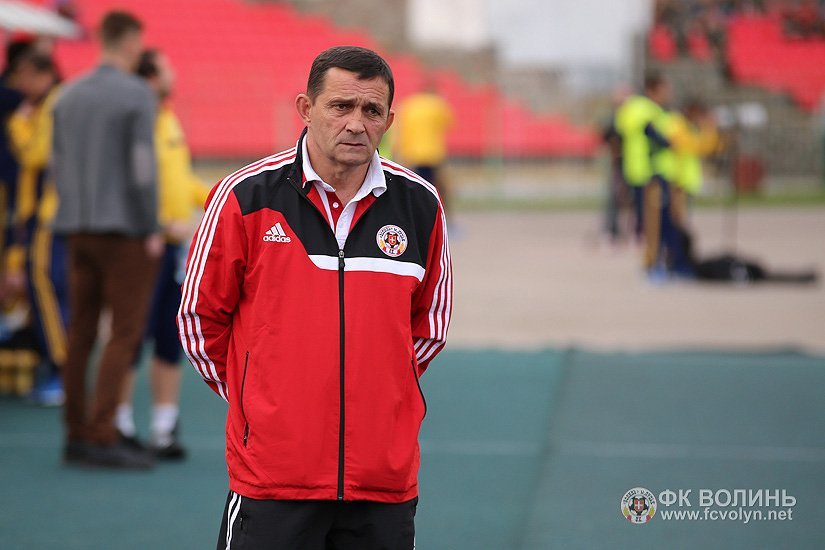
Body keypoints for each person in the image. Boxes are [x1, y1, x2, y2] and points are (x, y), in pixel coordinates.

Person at [178, 46, 452, 549]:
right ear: (306, 108)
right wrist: (262, 403)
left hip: (381, 479)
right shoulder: (244, 196)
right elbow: (200, 318)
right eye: (340, 106)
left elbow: (429, 327)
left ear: (389, 121)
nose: (356, 124)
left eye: (371, 111)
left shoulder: (420, 204)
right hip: (274, 476)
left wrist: (378, 396)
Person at [52, 11, 161, 469]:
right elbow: (142, 168)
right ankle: (103, 431)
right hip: (124, 230)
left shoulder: (67, 95)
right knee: (124, 332)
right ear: (132, 41)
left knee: (80, 331)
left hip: (76, 226)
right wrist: (151, 225)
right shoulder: (136, 93)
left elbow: (56, 164)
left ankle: (76, 430)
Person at [116, 48, 210, 459]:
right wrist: (153, 224)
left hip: (172, 247)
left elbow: (180, 179)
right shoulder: (131, 123)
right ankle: (117, 424)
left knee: (172, 336)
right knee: (131, 336)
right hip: (141, 245)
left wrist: (221, 197)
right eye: (166, 67)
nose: (173, 72)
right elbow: (125, 184)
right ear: (150, 77)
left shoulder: (168, 118)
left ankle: (164, 426)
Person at [6, 51, 67, 406]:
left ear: (43, 74)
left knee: (45, 288)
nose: (19, 85)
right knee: (49, 290)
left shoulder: (52, 105)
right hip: (44, 212)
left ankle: (62, 367)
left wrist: (19, 123)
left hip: (49, 213)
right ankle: (57, 365)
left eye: (25, 76)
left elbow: (36, 155)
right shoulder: (51, 102)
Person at [615, 72, 672, 274]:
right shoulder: (644, 108)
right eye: (663, 90)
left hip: (639, 168)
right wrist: (669, 143)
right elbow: (650, 132)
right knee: (652, 218)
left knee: (646, 216)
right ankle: (652, 259)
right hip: (647, 170)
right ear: (651, 90)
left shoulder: (633, 108)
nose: (667, 94)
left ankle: (651, 255)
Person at [394, 80, 454, 211]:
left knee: (416, 186)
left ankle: (417, 211)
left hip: (411, 154)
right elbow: (449, 123)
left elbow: (400, 129)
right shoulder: (438, 104)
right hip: (433, 153)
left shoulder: (408, 104)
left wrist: (399, 151)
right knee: (438, 187)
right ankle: (438, 213)